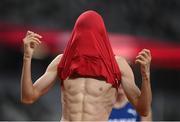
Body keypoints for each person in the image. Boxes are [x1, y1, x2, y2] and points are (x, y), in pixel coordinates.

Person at [20, 10, 152, 121]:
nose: (87, 37)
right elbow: (28, 97)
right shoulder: (62, 61)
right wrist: (27, 58)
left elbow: (143, 109)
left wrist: (146, 75)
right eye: (82, 30)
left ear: (101, 34)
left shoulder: (117, 65)